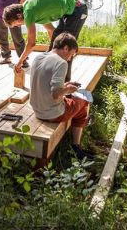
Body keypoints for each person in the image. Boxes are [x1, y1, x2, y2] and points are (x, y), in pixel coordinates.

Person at [29, 32, 94, 160]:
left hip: (37, 109)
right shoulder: (61, 63)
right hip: (52, 114)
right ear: (65, 48)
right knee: (85, 99)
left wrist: (65, 85)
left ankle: (77, 139)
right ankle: (76, 147)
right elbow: (55, 94)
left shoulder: (39, 57)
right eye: (71, 54)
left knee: (73, 99)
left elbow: (46, 83)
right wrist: (68, 89)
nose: (70, 59)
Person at [2, 0, 88, 79]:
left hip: (77, 10)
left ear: (19, 15)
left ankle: (64, 85)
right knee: (56, 48)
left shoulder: (28, 12)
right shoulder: (33, 9)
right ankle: (50, 80)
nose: (18, 26)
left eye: (16, 23)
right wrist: (53, 46)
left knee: (65, 49)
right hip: (69, 12)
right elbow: (51, 30)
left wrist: (20, 61)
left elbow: (31, 43)